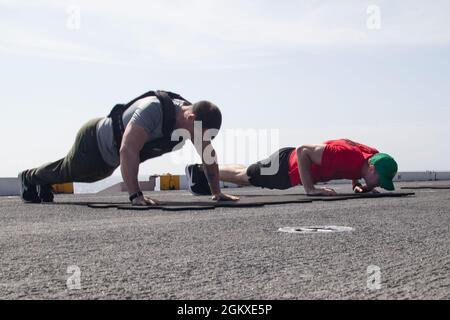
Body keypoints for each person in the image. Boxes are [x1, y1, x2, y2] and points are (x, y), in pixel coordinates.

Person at [19, 90, 239, 205]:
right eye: (202, 134)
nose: (202, 140)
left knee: (85, 174)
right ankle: (29, 178)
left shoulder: (194, 122)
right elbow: (127, 149)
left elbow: (208, 156)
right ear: (190, 118)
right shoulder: (154, 110)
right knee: (70, 171)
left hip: (110, 156)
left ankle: (43, 181)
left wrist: (217, 193)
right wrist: (136, 195)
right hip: (94, 142)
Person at [185, 139, 398, 196]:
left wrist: (357, 183)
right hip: (284, 169)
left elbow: (347, 140)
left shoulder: (369, 156)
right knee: (245, 176)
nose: (379, 185)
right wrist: (310, 190)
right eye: (379, 180)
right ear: (371, 169)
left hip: (286, 165)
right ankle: (202, 170)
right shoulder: (346, 156)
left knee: (247, 170)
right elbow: (303, 150)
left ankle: (203, 170)